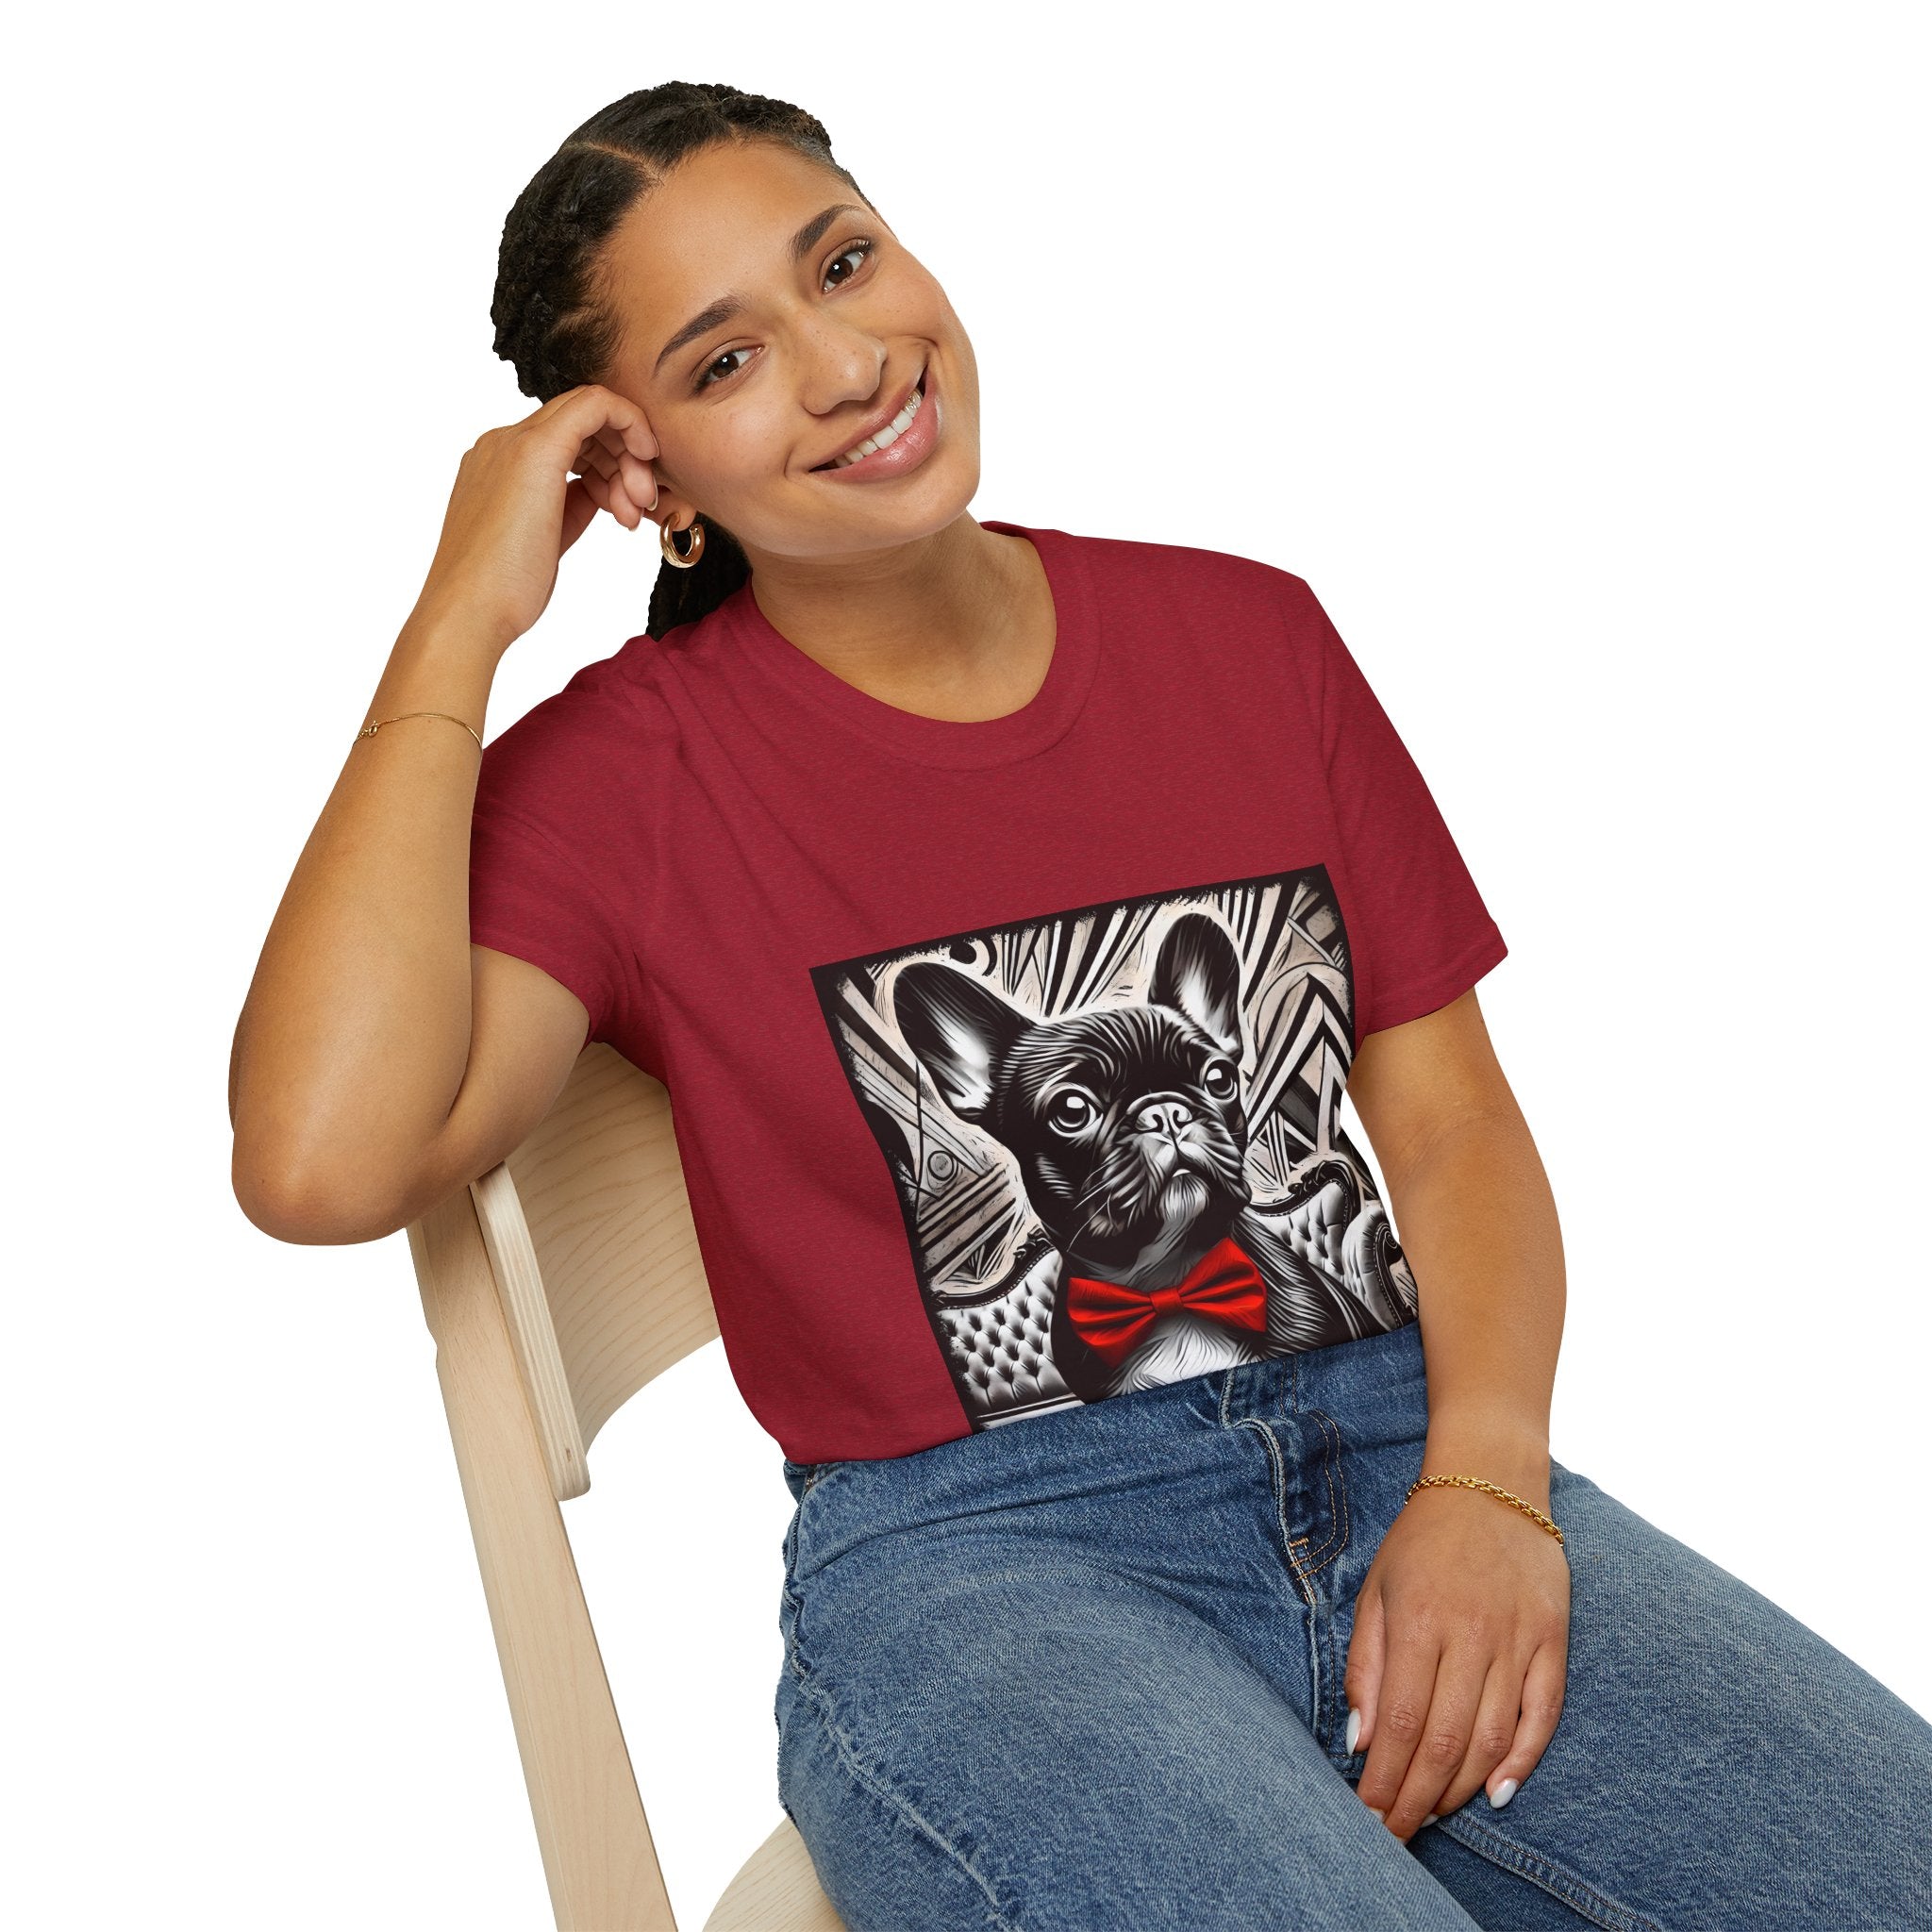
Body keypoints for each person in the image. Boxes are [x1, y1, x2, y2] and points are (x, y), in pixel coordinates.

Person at [228, 80, 1932, 1932]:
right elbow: (320, 1161)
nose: (846, 365)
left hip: (1408, 1449)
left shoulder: (1250, 639)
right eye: (726, 361)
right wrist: (458, 619)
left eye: (843, 264)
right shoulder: (630, 776)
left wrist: (1490, 1484)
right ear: (650, 483)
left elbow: (1451, 1129)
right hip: (988, 1569)